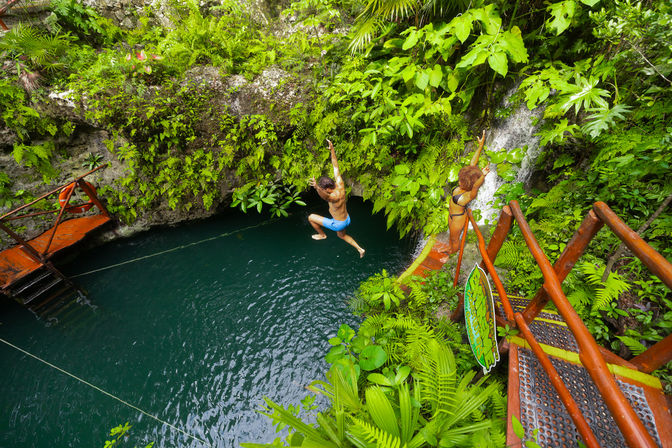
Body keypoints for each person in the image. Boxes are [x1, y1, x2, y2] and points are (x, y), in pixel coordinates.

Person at [308, 140, 366, 258]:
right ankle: (360, 249)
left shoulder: (333, 197)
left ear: (328, 188)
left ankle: (322, 235)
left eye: (324, 189)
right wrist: (332, 150)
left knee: (311, 218)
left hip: (338, 224)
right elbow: (335, 166)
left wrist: (317, 188)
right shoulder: (339, 183)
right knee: (342, 236)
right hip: (346, 219)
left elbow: (325, 197)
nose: (324, 191)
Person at [446, 130, 491, 254]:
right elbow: (472, 163)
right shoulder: (466, 181)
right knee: (451, 236)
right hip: (451, 215)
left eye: (462, 182)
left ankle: (452, 257)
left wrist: (483, 175)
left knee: (455, 239)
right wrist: (480, 146)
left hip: (458, 218)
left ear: (469, 184)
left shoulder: (469, 194)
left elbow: (476, 185)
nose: (459, 182)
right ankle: (450, 249)